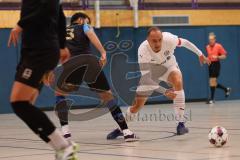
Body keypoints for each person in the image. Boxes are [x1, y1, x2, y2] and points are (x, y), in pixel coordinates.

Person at [8, 1, 79, 160]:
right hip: (34, 52)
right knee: (24, 105)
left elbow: (48, 8)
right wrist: (62, 45)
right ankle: (61, 148)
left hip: (40, 52)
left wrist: (20, 24)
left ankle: (63, 145)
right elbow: (60, 15)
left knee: (19, 103)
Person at [108, 27, 210, 137]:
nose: (158, 43)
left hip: (169, 68)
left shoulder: (169, 39)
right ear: (148, 40)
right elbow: (147, 78)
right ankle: (121, 128)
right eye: (154, 41)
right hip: (151, 75)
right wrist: (165, 91)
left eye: (159, 40)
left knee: (178, 81)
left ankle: (181, 124)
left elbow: (184, 42)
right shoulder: (143, 50)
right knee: (136, 105)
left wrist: (199, 54)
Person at [55, 12, 139, 142]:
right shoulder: (84, 26)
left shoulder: (61, 31)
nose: (89, 23)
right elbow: (91, 34)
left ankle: (65, 132)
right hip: (89, 62)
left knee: (60, 94)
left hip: (70, 65)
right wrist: (103, 52)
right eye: (87, 21)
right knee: (108, 97)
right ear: (81, 20)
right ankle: (126, 132)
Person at [206, 32, 231, 104]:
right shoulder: (207, 47)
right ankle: (226, 89)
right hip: (210, 64)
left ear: (215, 39)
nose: (210, 41)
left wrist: (217, 57)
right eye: (209, 39)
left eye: (212, 39)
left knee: (212, 81)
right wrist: (206, 59)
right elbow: (209, 56)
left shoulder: (218, 46)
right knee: (212, 82)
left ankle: (211, 99)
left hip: (216, 64)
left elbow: (224, 56)